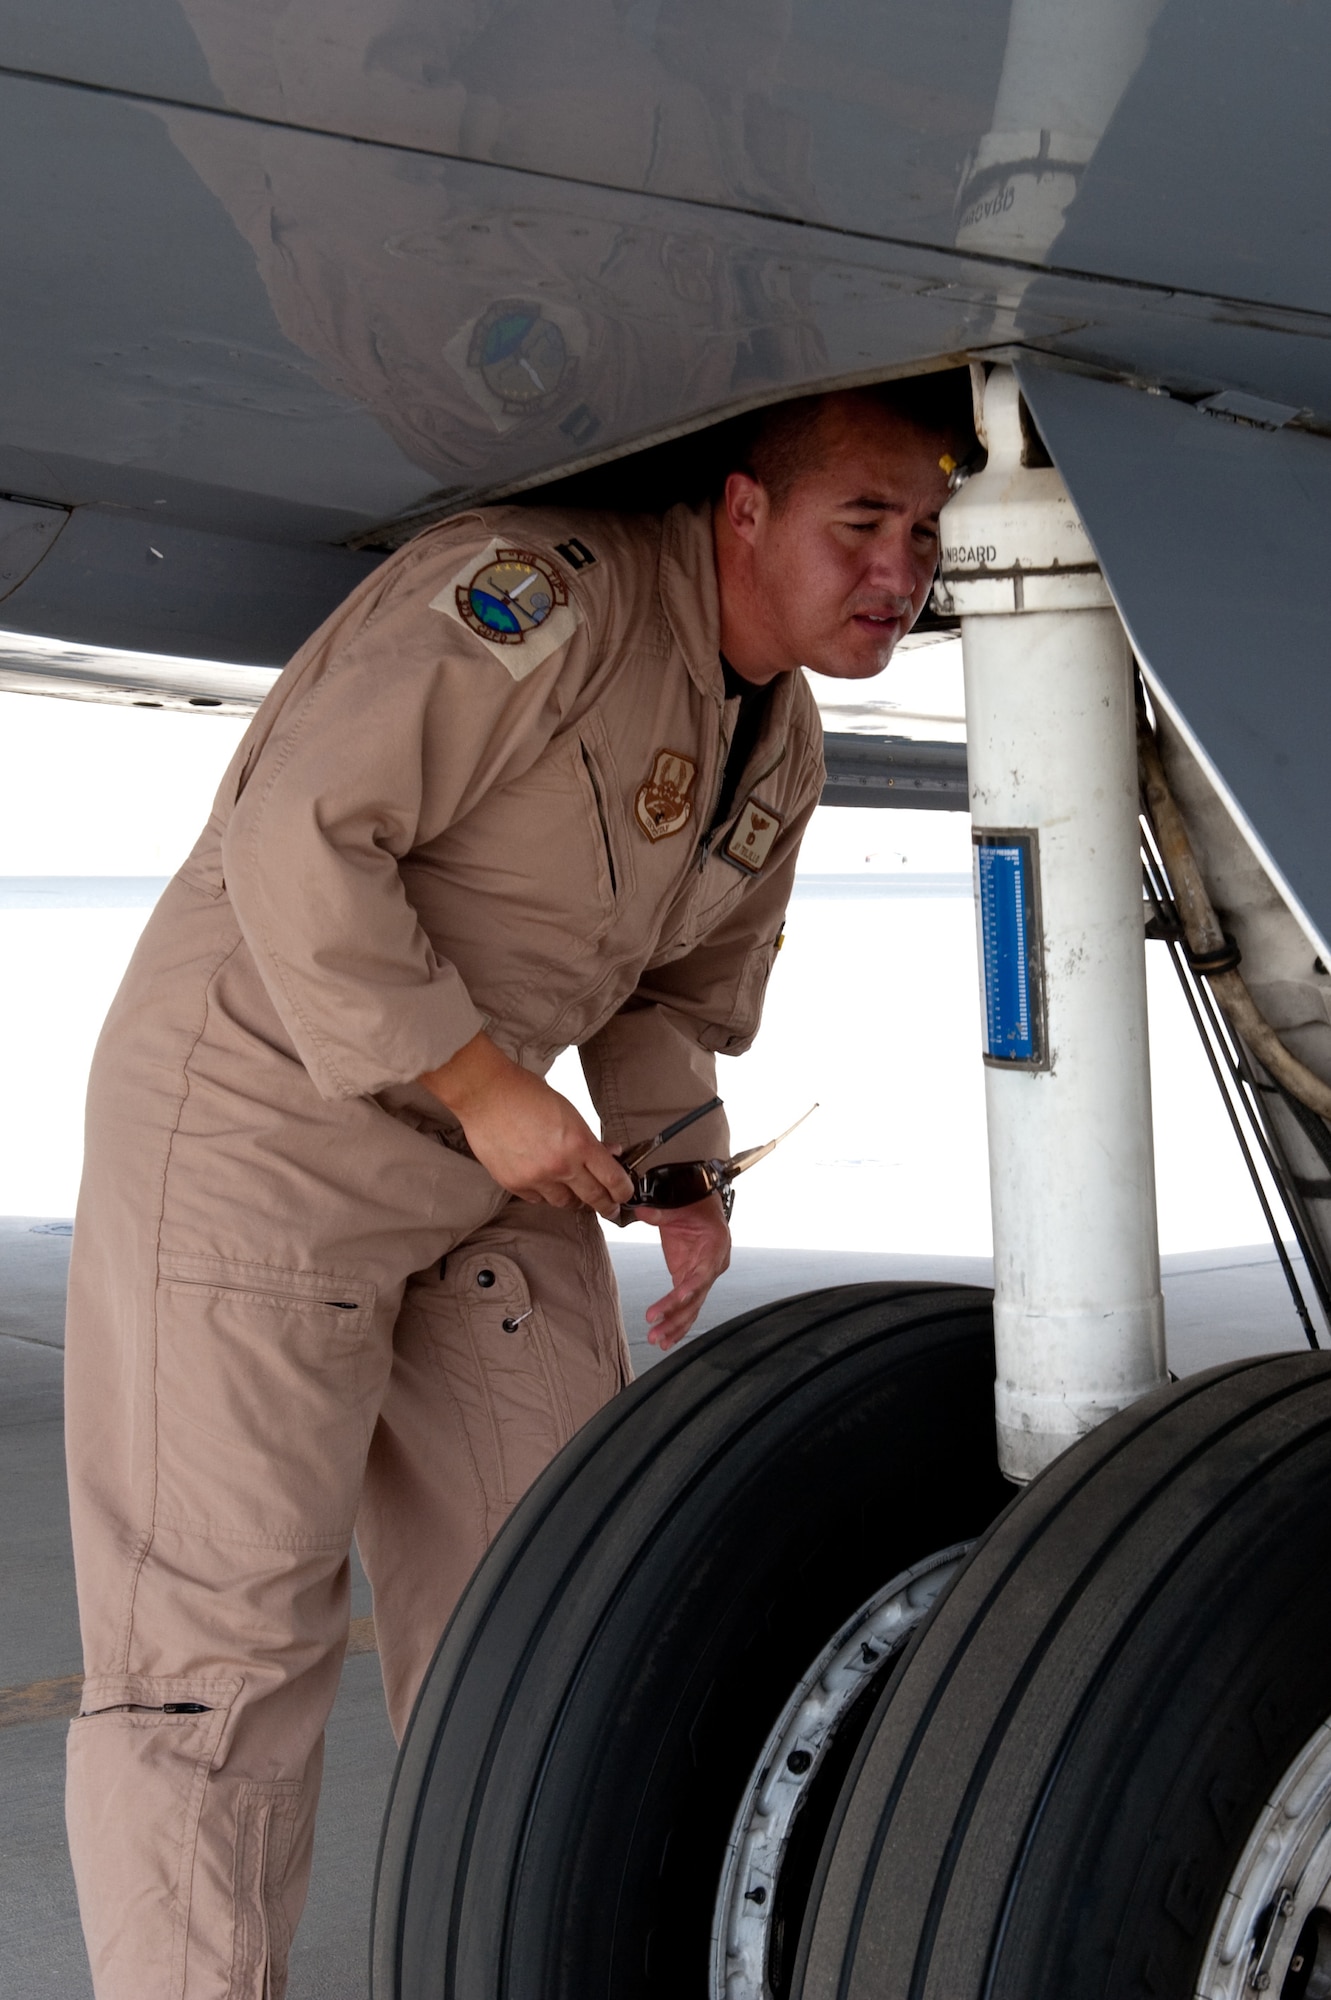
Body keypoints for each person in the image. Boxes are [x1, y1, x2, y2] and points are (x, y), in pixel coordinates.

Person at [63, 377, 965, 1997]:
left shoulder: (785, 735)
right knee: (219, 1659)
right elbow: (300, 836)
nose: (902, 570)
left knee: (553, 1617)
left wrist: (681, 1168)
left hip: (491, 1163)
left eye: (923, 531)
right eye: (864, 525)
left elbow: (670, 988)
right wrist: (487, 1091)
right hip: (260, 1132)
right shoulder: (535, 601)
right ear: (745, 511)